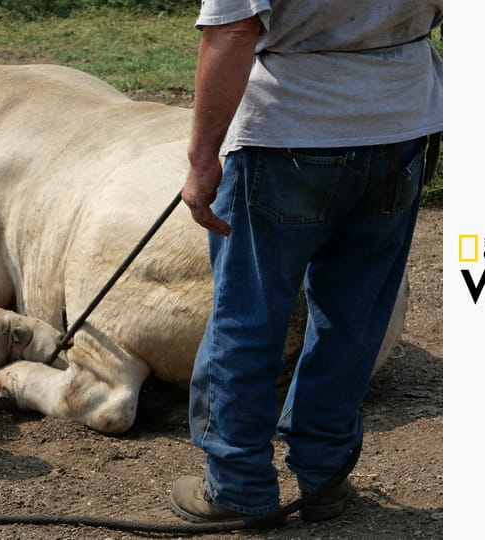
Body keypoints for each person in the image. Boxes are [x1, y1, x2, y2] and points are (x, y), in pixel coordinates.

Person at [169, 0, 442, 524]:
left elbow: (234, 30)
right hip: (401, 129)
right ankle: (325, 476)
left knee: (248, 313)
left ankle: (237, 485)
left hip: (287, 132)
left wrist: (203, 159)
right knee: (354, 316)